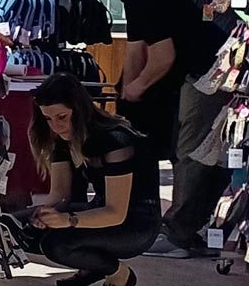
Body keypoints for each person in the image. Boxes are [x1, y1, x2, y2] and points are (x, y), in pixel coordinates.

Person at [79, 0, 232, 258]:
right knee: (186, 145)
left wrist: (137, 87)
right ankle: (192, 227)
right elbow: (136, 49)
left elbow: (162, 57)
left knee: (193, 148)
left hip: (215, 68)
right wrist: (125, 93)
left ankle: (179, 234)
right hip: (198, 68)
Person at [12, 73, 158, 286]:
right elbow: (60, 195)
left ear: (79, 110)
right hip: (101, 210)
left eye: (62, 117)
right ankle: (92, 266)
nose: (56, 126)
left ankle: (118, 273)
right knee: (16, 228)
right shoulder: (63, 139)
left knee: (56, 245)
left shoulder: (116, 140)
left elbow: (116, 212)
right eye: (48, 119)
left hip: (136, 223)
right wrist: (42, 216)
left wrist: (68, 220)